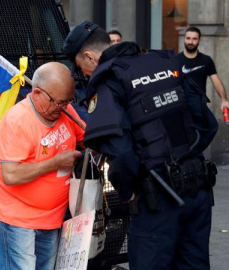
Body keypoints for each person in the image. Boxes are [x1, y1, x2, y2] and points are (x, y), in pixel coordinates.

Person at [63, 21, 218, 270]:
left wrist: (128, 191)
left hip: (157, 199)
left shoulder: (110, 80)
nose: (85, 75)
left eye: (82, 69)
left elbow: (120, 151)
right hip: (198, 191)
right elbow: (207, 124)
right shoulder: (165, 62)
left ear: (90, 57)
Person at [0, 62, 84, 270]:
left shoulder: (65, 110)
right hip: (17, 218)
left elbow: (88, 137)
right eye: (58, 103)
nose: (62, 108)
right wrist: (55, 163)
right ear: (38, 93)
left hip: (52, 218)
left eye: (68, 102)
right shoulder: (17, 121)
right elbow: (11, 175)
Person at [175, 26, 229, 111]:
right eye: (188, 38)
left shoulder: (206, 60)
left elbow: (216, 81)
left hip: (199, 106)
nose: (191, 42)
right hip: (180, 107)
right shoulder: (175, 60)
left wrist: (224, 100)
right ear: (184, 39)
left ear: (200, 41)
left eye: (194, 39)